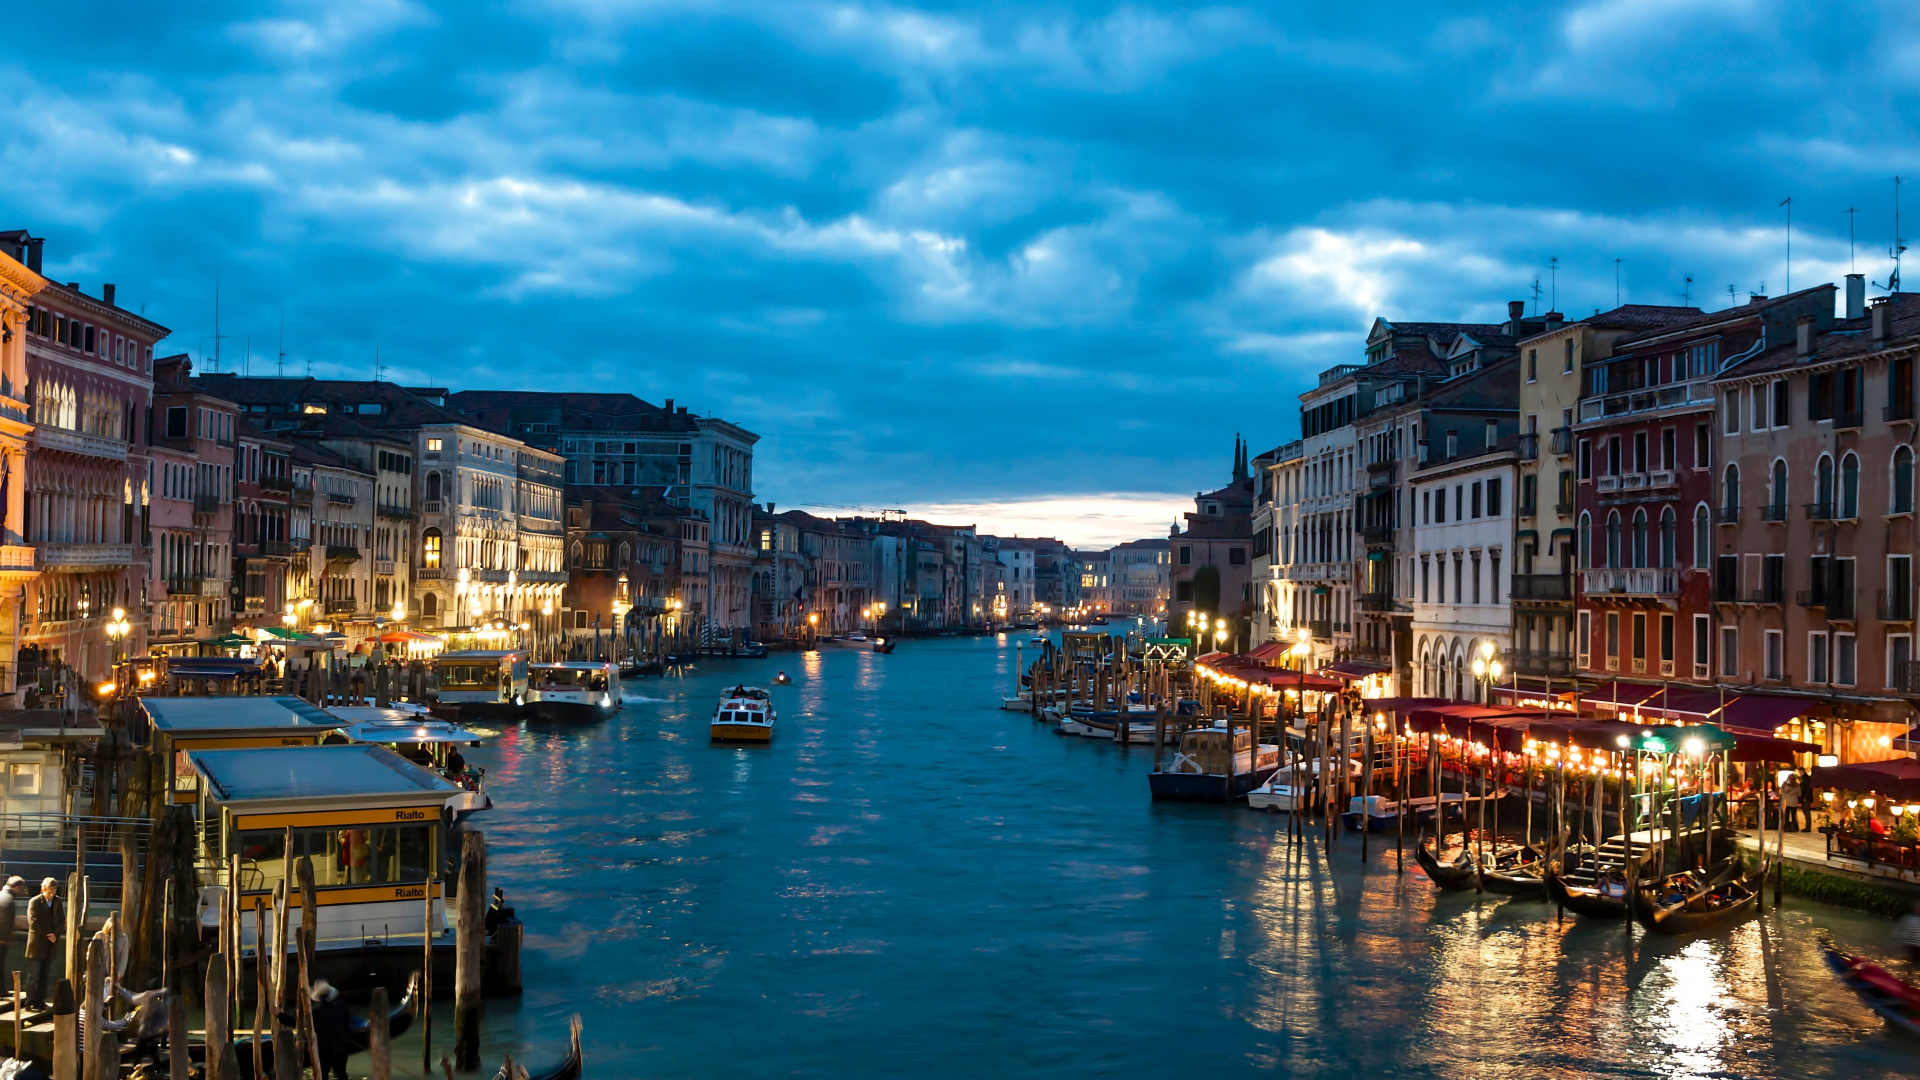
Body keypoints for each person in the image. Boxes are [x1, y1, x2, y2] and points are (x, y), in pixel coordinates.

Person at [308, 980, 353, 1080]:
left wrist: (279, 1015)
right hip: (340, 1047)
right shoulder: (341, 1008)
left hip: (324, 1048)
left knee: (323, 1074)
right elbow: (349, 1025)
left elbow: (299, 1023)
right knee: (341, 1073)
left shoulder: (316, 1012)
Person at [25, 878, 60, 1006]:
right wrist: (47, 934)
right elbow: (33, 922)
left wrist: (56, 934)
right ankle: (31, 1000)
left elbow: (61, 920)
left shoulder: (57, 902)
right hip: (37, 944)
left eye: (54, 892)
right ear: (43, 890)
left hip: (50, 943)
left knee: (45, 973)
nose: (51, 895)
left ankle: (40, 1000)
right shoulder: (34, 902)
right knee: (34, 974)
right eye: (49, 892)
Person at [0, 876, 22, 990]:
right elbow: (6, 921)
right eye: (20, 888)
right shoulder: (9, 900)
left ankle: (2, 990)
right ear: (16, 887)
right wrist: (7, 938)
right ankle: (2, 990)